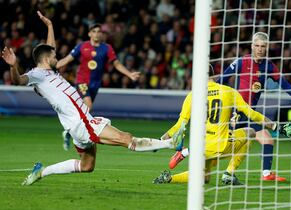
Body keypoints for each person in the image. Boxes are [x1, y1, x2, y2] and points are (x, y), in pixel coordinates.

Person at [1, 12, 184, 186]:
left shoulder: (50, 70)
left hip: (76, 126)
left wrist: (50, 25)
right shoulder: (37, 75)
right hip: (83, 124)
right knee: (126, 138)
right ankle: (170, 143)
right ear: (47, 58)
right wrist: (13, 66)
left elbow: (50, 48)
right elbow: (18, 79)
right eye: (55, 55)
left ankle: (41, 172)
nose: (58, 56)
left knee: (86, 166)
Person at [169, 32, 291, 182]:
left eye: (263, 46)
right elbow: (223, 79)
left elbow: (285, 84)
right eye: (257, 46)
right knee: (220, 148)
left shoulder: (269, 67)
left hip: (250, 112)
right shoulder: (241, 62)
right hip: (236, 111)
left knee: (263, 140)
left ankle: (257, 174)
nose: (259, 49)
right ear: (252, 46)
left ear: (267, 48)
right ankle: (187, 155)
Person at [153, 65, 291, 185]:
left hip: (202, 146)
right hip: (223, 145)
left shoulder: (192, 95)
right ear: (214, 76)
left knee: (203, 177)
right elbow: (252, 115)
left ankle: (171, 177)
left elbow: (180, 125)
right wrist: (276, 127)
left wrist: (160, 142)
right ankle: (229, 173)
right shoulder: (228, 92)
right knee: (250, 132)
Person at [56, 22, 141, 151]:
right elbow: (67, 59)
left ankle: (70, 131)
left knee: (85, 110)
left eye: (99, 32)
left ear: (101, 34)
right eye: (94, 31)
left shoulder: (106, 48)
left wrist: (129, 74)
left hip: (95, 85)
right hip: (82, 82)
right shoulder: (82, 46)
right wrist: (53, 68)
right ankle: (72, 130)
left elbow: (117, 64)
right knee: (88, 106)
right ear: (89, 33)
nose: (96, 34)